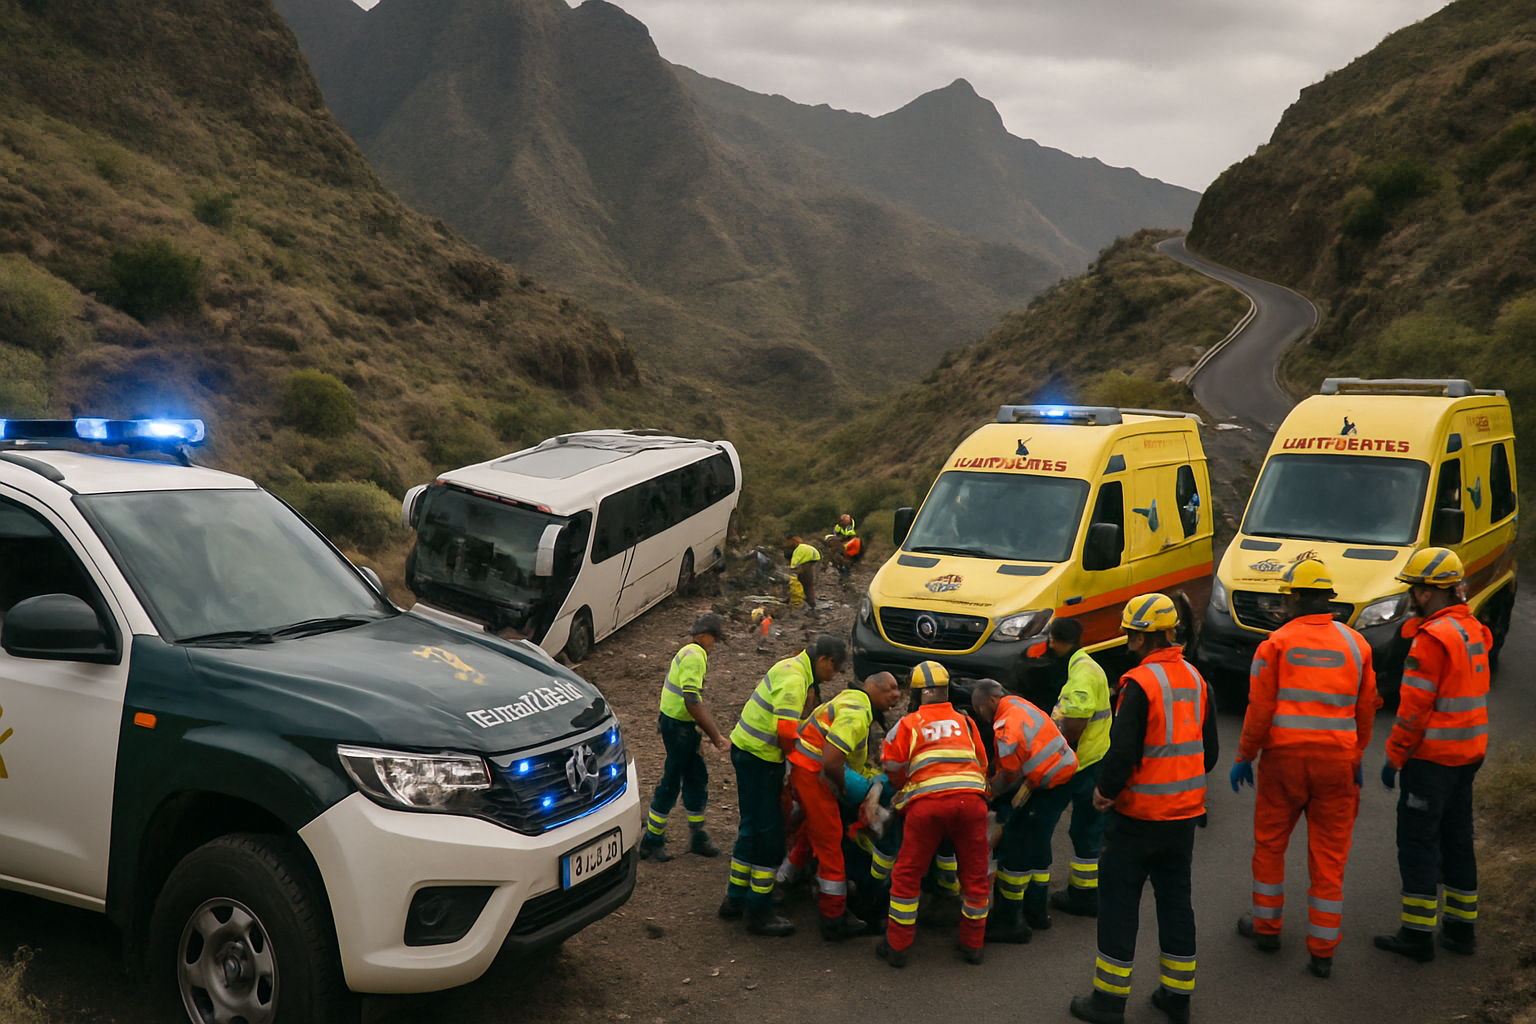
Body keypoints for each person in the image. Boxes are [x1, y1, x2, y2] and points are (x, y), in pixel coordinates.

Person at [1069, 593, 1218, 1024]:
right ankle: (1176, 998)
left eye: (1131, 635)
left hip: (1137, 819)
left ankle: (1109, 1003)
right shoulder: (1195, 679)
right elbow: (1208, 753)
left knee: (1118, 906)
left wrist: (1105, 790)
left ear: (1138, 637)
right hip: (1184, 818)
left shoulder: (1139, 683)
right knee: (1176, 905)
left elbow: (1123, 751)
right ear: (1172, 633)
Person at [1230, 558, 1376, 979]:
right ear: (1327, 599)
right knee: (1329, 858)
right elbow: (1365, 709)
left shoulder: (1275, 643)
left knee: (1271, 844)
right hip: (1337, 764)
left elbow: (1259, 709)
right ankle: (1322, 952)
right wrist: (1357, 754)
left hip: (1284, 763)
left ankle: (1267, 927)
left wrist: (1245, 755)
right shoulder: (1355, 645)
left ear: (1294, 597)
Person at [1374, 548, 1490, 963]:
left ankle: (1417, 935)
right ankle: (1461, 931)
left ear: (1425, 593)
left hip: (1432, 759)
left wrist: (1394, 757)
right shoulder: (1473, 628)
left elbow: (1414, 710)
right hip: (1468, 755)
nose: (1410, 597)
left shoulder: (1431, 640)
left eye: (1413, 589)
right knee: (1457, 839)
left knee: (1419, 843)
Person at [722, 634, 848, 936]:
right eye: (837, 668)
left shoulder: (791, 668)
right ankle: (759, 911)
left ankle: (734, 899)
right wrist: (800, 766)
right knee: (770, 836)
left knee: (750, 827)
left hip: (748, 752)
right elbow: (785, 734)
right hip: (760, 759)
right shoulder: (795, 680)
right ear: (824, 661)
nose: (836, 676)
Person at [876, 661, 992, 967]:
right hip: (972, 804)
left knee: (907, 875)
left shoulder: (908, 724)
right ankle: (973, 944)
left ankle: (897, 946)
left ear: (915, 695)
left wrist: (907, 788)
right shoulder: (966, 723)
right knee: (976, 875)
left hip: (927, 807)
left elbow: (891, 765)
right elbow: (982, 764)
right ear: (947, 690)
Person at [786, 671, 904, 940]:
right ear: (871, 686)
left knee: (812, 829)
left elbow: (850, 761)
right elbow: (832, 761)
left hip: (806, 768)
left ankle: (785, 880)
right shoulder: (857, 711)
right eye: (892, 688)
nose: (897, 695)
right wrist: (843, 787)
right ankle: (833, 917)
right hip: (814, 773)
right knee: (829, 842)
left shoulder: (851, 702)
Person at [970, 679, 1077, 942]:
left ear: (992, 701)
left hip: (1046, 784)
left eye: (981, 709)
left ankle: (1010, 921)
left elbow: (1008, 775)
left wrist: (990, 792)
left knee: (1016, 849)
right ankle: (1036, 912)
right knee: (1038, 845)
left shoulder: (1005, 726)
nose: (980, 716)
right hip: (1061, 776)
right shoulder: (1020, 705)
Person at [640, 615, 732, 863]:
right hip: (678, 726)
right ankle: (652, 839)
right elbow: (692, 701)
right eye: (714, 640)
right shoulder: (694, 656)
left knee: (695, 775)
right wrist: (716, 737)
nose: (714, 647)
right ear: (704, 635)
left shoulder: (689, 652)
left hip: (679, 725)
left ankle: (697, 835)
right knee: (673, 779)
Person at [1046, 616, 1113, 918]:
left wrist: (1054, 754)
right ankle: (1088, 891)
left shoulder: (1082, 674)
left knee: (1083, 827)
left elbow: (1074, 723)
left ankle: (1085, 896)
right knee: (1089, 826)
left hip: (1083, 762)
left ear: (1056, 640)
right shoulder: (1088, 665)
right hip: (1094, 757)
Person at [784, 535, 821, 609]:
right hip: (815, 559)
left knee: (803, 581)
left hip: (808, 561)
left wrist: (788, 573)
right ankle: (811, 601)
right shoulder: (802, 546)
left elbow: (793, 568)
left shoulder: (797, 552)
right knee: (809, 583)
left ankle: (809, 601)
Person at [827, 514, 863, 578]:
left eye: (842, 521)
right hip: (841, 541)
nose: (841, 522)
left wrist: (840, 540)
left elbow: (849, 536)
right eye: (841, 521)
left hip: (849, 543)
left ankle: (846, 569)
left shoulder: (850, 528)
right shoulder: (838, 526)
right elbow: (835, 533)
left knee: (846, 556)